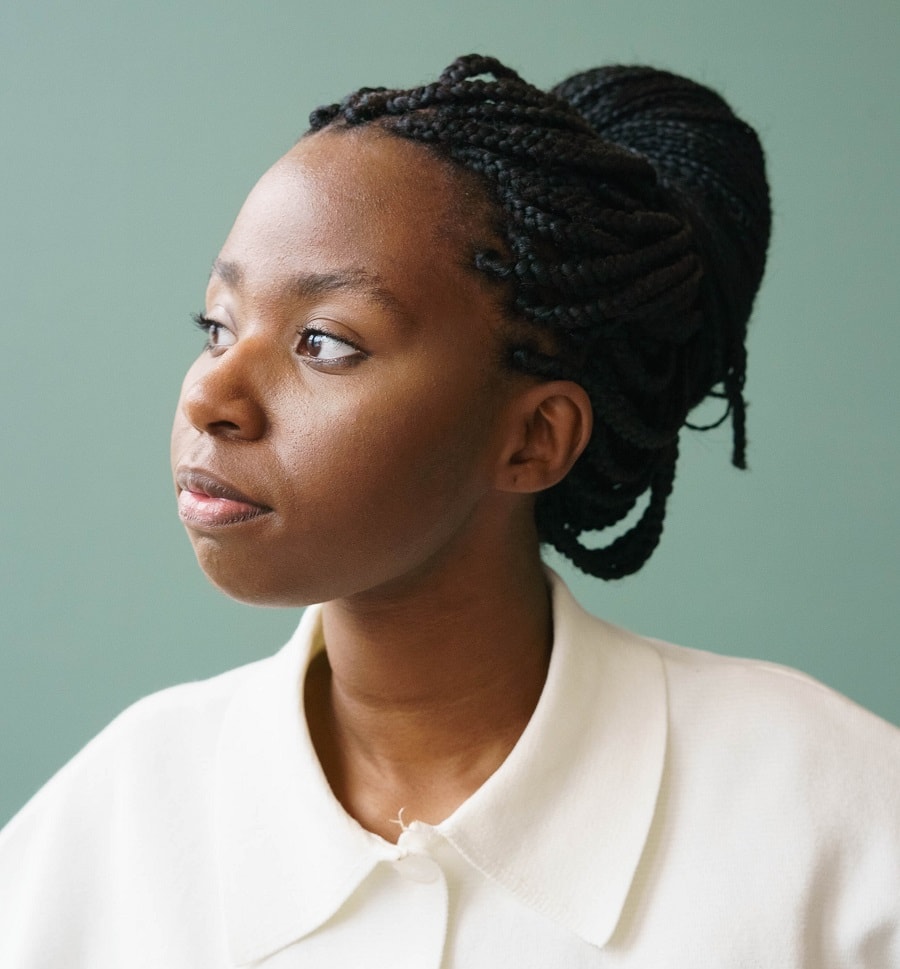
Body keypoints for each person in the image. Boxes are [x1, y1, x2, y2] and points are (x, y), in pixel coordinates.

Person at [1, 54, 898, 967]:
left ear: (534, 439)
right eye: (218, 325)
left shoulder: (841, 824)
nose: (211, 396)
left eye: (324, 341)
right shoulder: (109, 828)